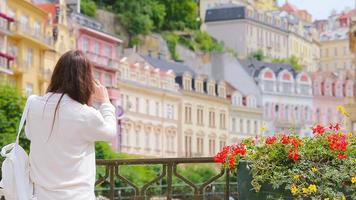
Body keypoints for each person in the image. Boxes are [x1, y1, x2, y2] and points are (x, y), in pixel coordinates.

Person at [25, 50, 117, 200]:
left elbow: (30, 134)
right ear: (85, 80)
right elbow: (110, 132)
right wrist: (105, 102)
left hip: (40, 195)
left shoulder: (33, 104)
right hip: (77, 196)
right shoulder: (85, 114)